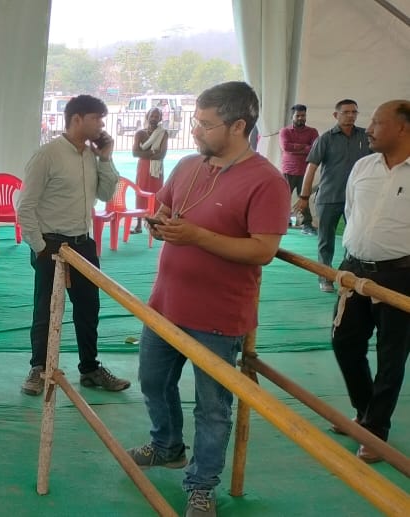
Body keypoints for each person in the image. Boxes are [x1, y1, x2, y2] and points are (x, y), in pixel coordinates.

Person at [126, 82, 290, 517]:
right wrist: (159, 222)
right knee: (152, 382)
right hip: (164, 305)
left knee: (213, 407)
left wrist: (196, 236)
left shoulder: (267, 181)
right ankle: (167, 446)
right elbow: (164, 208)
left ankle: (202, 485)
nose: (195, 130)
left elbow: (263, 250)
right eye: (195, 121)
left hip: (219, 315)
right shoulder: (186, 165)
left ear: (238, 126)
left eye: (205, 123)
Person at [17, 94, 130, 396]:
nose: (102, 125)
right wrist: (40, 247)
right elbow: (25, 206)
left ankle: (90, 369)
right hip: (51, 244)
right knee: (46, 309)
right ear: (77, 119)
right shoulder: (47, 155)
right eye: (97, 119)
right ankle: (39, 368)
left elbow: (105, 194)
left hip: (83, 243)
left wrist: (106, 158)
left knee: (88, 307)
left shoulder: (92, 156)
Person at [330, 99, 410, 463]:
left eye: (378, 122)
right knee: (344, 342)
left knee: (391, 356)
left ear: (402, 128)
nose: (369, 128)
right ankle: (365, 413)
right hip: (355, 270)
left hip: (401, 276)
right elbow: (351, 213)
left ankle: (375, 431)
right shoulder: (363, 166)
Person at [295, 99, 371, 292]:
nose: (351, 115)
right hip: (329, 197)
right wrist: (304, 197)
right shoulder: (325, 139)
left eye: (354, 112)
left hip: (357, 199)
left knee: (355, 240)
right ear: (336, 115)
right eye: (346, 112)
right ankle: (325, 277)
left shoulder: (366, 136)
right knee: (326, 240)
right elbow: (311, 168)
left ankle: (349, 277)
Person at [280, 104, 318, 234]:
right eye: (298, 116)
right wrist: (305, 147)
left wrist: (295, 147)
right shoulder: (285, 131)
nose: (301, 118)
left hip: (305, 172)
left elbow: (315, 149)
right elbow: (286, 147)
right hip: (288, 171)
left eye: (303, 115)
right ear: (292, 116)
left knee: (304, 199)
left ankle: (307, 225)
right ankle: (280, 223)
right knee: (283, 198)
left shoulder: (312, 132)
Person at [132, 108, 168, 234]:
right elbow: (135, 153)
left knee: (156, 194)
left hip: (156, 169)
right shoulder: (140, 133)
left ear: (160, 118)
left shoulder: (163, 133)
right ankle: (138, 225)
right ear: (147, 116)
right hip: (143, 167)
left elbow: (162, 154)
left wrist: (144, 153)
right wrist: (153, 152)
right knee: (140, 192)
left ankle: (154, 224)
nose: (154, 118)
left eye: (157, 116)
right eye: (152, 116)